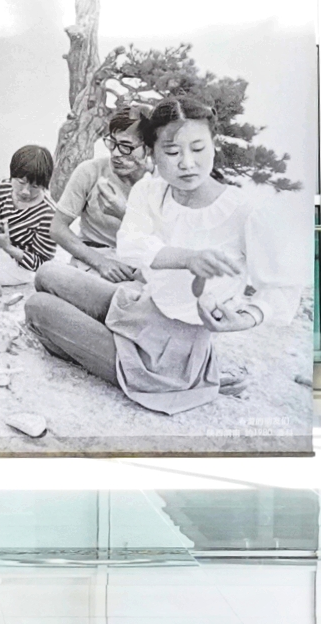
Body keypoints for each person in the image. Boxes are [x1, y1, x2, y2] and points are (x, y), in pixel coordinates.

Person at [25, 94, 273, 414]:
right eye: (172, 151)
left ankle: (172, 372)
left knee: (38, 306)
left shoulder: (236, 209)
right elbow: (134, 245)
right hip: (141, 309)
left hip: (163, 353)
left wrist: (246, 317)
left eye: (198, 149)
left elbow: (275, 287)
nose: (186, 163)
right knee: (47, 273)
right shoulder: (147, 189)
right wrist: (180, 257)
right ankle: (87, 338)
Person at [35, 108, 147, 303]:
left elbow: (168, 241)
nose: (115, 153)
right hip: (91, 264)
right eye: (112, 143)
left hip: (137, 272)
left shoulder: (161, 183)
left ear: (150, 148)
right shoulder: (91, 171)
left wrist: (125, 214)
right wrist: (101, 262)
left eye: (126, 147)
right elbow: (57, 228)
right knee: (46, 273)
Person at [0, 144, 58, 293]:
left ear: (44, 185)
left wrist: (7, 246)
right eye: (21, 182)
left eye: (35, 186)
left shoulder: (49, 213)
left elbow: (42, 263)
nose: (26, 191)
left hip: (18, 269)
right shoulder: (1, 188)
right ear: (12, 174)